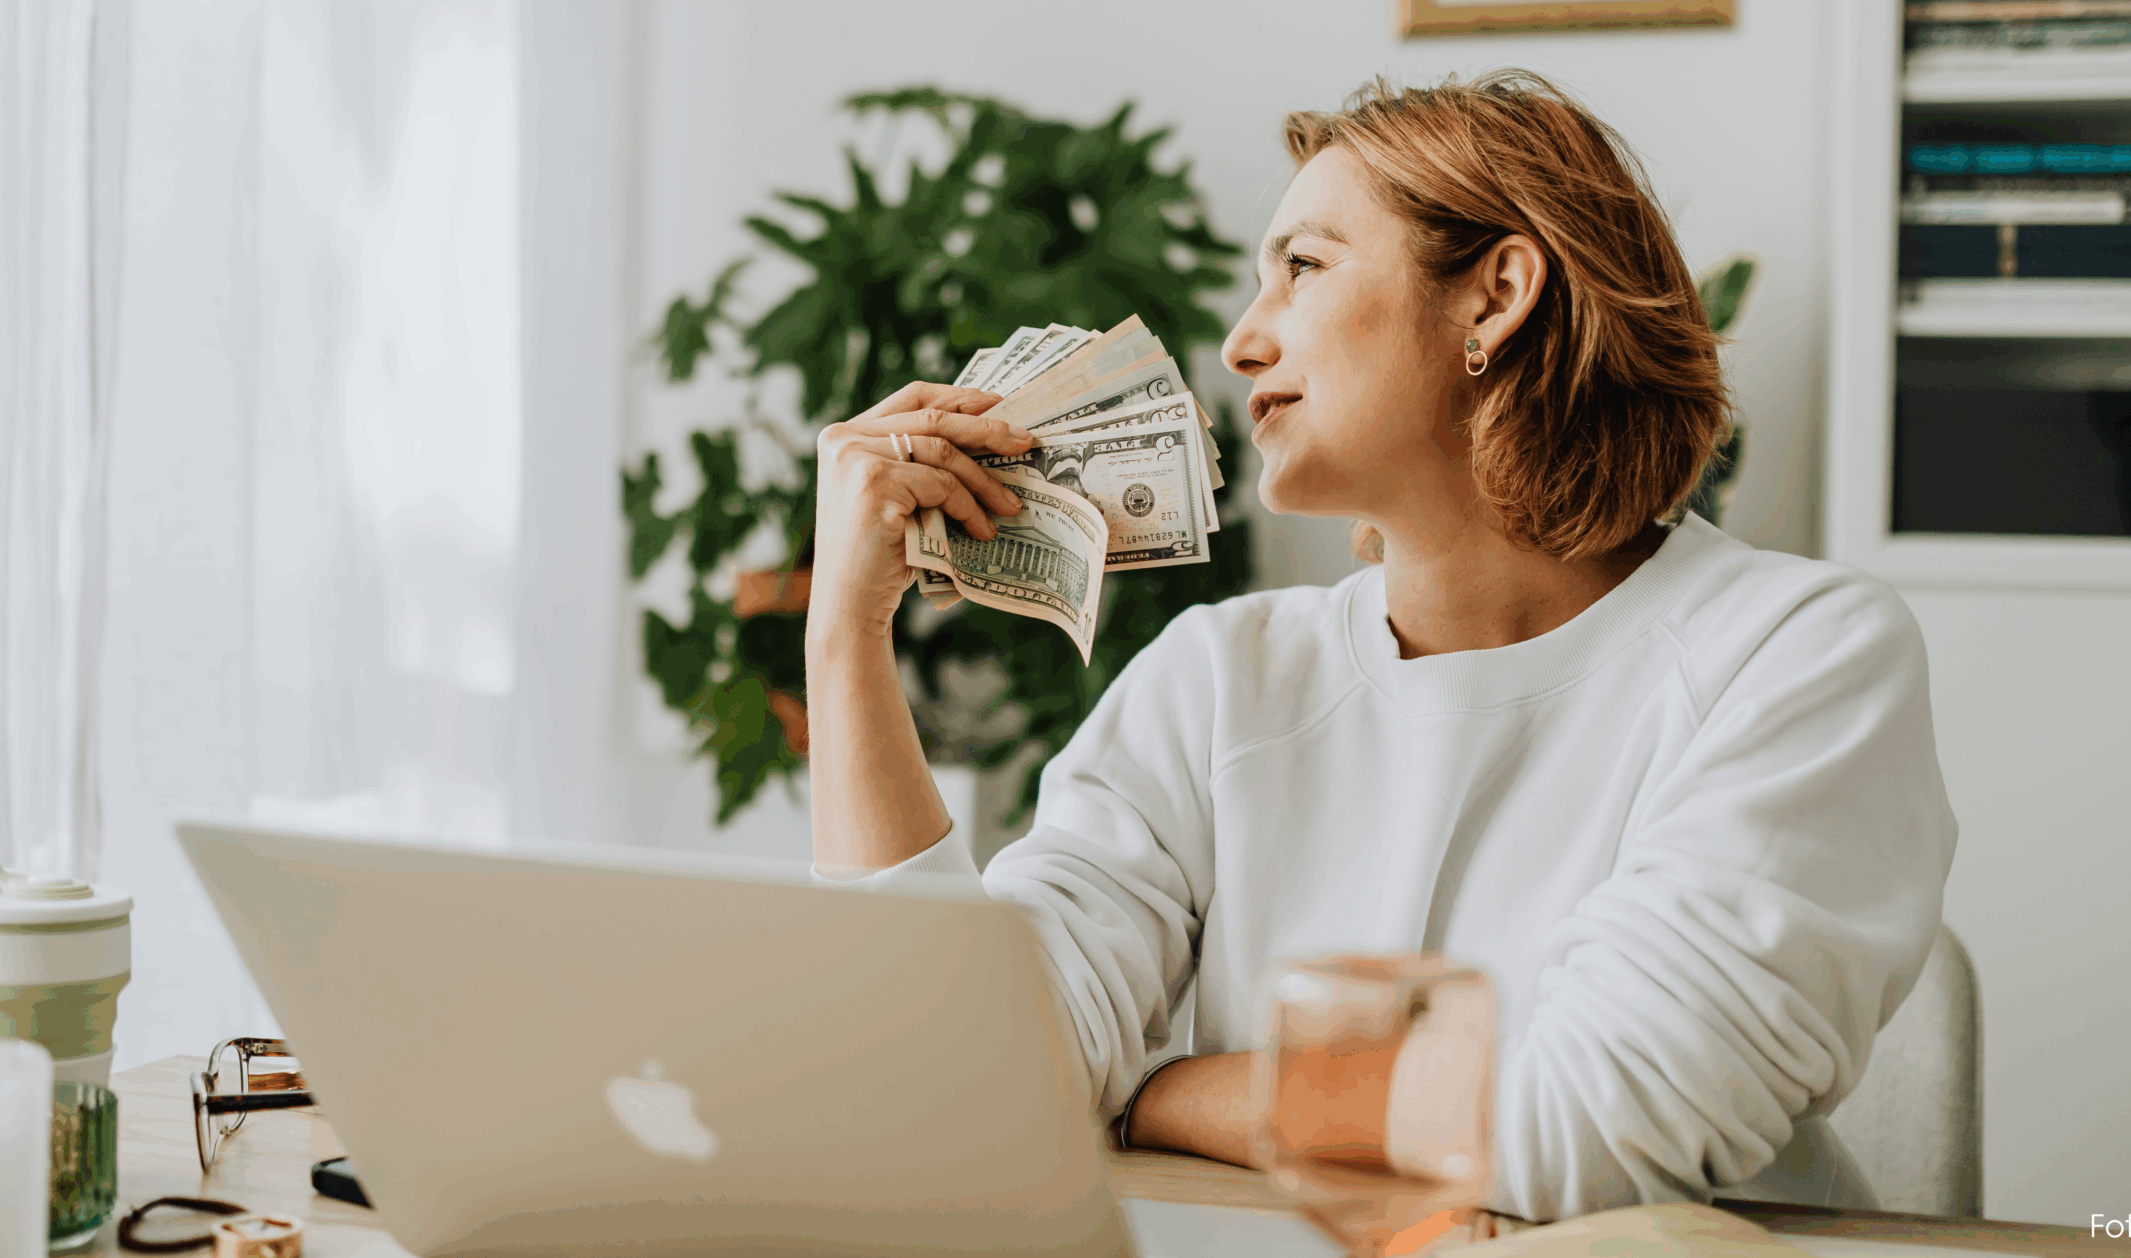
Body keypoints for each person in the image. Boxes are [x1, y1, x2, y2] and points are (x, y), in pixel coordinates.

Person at [800, 70, 1955, 1221]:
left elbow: (1582, 1132)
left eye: (1301, 267)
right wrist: (845, 633)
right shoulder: (1217, 680)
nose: (1243, 341)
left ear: (1494, 295)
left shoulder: (1797, 652)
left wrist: (1170, 1090)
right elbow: (965, 1074)